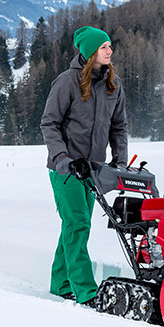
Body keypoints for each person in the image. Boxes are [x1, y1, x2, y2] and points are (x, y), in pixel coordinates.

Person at [40, 25, 128, 305]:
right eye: (104, 47)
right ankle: (86, 291)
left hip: (93, 169)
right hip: (65, 170)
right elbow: (49, 123)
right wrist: (62, 159)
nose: (110, 51)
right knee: (77, 224)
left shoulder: (113, 84)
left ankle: (59, 283)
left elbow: (119, 126)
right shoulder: (67, 82)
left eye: (109, 46)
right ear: (90, 52)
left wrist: (120, 162)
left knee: (75, 224)